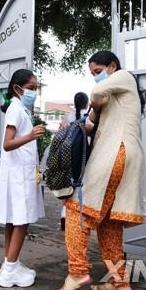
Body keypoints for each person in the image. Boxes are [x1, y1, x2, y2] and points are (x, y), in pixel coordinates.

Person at [55, 51, 146, 290]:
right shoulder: (119, 97)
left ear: (112, 66)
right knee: (109, 224)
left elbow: (95, 95)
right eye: (93, 74)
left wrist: (94, 107)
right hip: (125, 155)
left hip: (114, 154)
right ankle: (120, 282)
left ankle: (77, 272)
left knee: (77, 209)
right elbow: (92, 124)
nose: (96, 77)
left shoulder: (124, 76)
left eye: (98, 72)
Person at [0, 69, 46, 288]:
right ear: (17, 88)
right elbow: (7, 144)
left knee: (13, 218)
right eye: (31, 88)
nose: (34, 92)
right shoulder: (15, 109)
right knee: (21, 220)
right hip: (19, 174)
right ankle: (9, 271)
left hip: (18, 172)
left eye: (36, 88)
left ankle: (10, 263)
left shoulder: (19, 108)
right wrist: (30, 136)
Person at [58, 92, 92, 231]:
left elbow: (60, 134)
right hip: (86, 154)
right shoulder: (90, 116)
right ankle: (81, 216)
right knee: (83, 186)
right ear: (87, 102)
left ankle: (65, 214)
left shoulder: (68, 117)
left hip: (69, 156)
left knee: (69, 187)